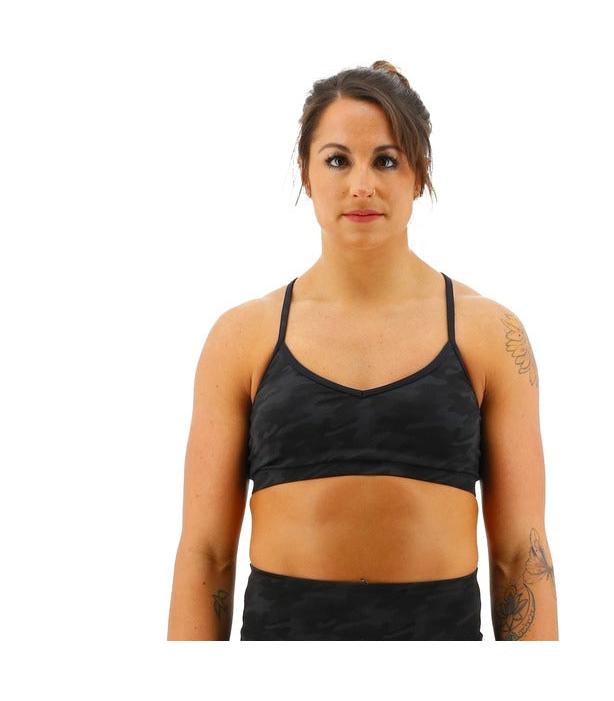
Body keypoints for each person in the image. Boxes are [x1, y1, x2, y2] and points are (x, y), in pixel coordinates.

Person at [167, 61, 558, 641]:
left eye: (386, 160)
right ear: (305, 173)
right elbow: (206, 554)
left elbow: (521, 557)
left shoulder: (490, 334)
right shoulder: (242, 337)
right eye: (337, 160)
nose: (361, 185)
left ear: (419, 174)